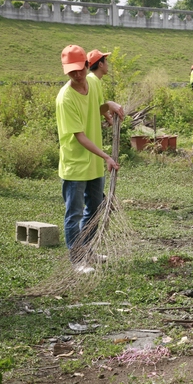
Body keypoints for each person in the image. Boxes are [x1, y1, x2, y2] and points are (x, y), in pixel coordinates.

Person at [55, 45, 124, 273]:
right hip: (75, 164)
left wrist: (110, 105)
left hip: (95, 163)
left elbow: (98, 106)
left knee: (94, 209)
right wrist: (106, 156)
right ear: (66, 71)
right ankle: (77, 260)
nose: (76, 75)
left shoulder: (93, 83)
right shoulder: (65, 98)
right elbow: (80, 137)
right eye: (71, 71)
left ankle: (86, 249)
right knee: (74, 213)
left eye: (79, 69)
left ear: (86, 65)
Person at [87, 49, 112, 124]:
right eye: (106, 61)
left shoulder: (93, 79)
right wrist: (109, 118)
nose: (107, 64)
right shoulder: (92, 80)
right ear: (100, 64)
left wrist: (107, 116)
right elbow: (98, 108)